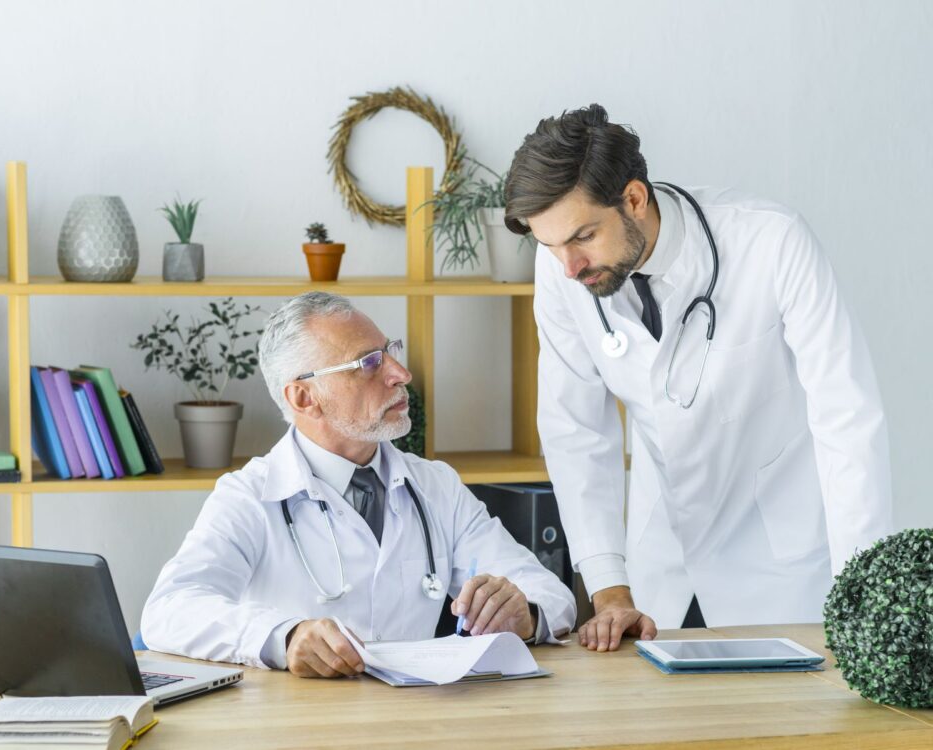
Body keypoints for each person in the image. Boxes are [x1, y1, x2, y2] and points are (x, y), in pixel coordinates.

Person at [503, 103, 892, 653]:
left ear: (634, 199)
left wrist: (864, 594)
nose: (568, 266)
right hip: (658, 566)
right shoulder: (562, 269)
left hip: (779, 566)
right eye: (550, 245)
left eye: (583, 236)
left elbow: (846, 420)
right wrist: (610, 589)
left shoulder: (772, 242)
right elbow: (576, 432)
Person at [141, 292, 576, 677]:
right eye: (368, 363)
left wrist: (526, 613)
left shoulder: (435, 486)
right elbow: (168, 611)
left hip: (419, 726)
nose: (400, 373)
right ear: (303, 397)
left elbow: (551, 594)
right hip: (299, 731)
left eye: (389, 352)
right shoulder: (250, 495)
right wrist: (284, 637)